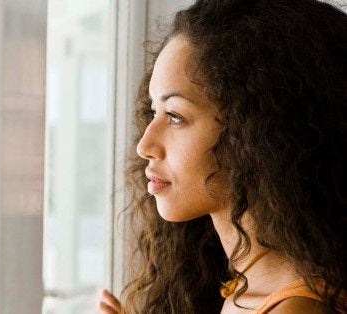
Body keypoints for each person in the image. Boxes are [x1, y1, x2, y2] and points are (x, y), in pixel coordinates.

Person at [98, 0, 346, 313]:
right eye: (153, 111)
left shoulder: (293, 308)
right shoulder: (242, 290)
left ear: (257, 133)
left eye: (175, 116)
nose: (144, 145)